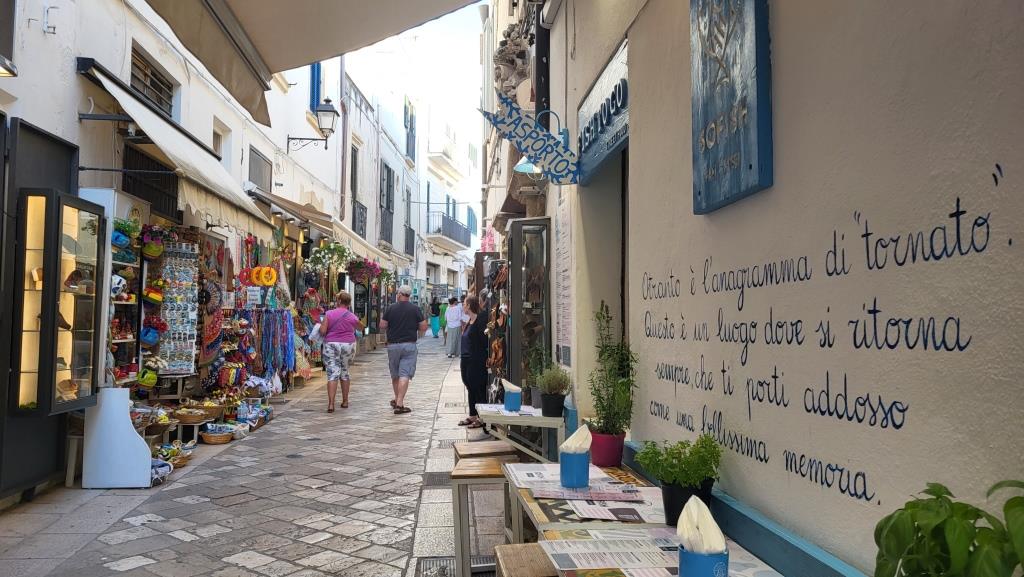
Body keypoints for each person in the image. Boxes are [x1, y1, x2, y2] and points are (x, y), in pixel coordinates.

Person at [381, 285, 427, 414]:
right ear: (409, 295)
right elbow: (423, 327)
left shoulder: (391, 308)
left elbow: (382, 325)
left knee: (395, 375)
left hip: (393, 345)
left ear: (399, 294)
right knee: (405, 374)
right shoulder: (415, 309)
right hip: (409, 345)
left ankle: (397, 400)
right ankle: (399, 403)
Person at [319, 291, 364, 413]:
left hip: (331, 344)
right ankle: (345, 401)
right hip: (348, 345)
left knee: (332, 374)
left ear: (339, 301)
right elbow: (361, 327)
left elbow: (322, 331)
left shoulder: (329, 314)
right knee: (344, 372)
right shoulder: (351, 316)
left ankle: (331, 404)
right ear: (349, 303)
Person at [458, 295, 489, 428]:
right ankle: (472, 414)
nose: (463, 306)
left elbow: (483, 341)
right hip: (465, 358)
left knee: (477, 387)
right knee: (469, 386)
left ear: (469, 306)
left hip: (475, 359)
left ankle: (482, 418)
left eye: (464, 304)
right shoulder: (469, 321)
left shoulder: (479, 321)